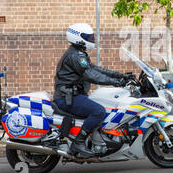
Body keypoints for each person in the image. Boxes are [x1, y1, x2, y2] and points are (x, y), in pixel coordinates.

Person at [53, 23, 133, 158]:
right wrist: (116, 82)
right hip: (68, 98)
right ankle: (78, 143)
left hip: (71, 96)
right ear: (77, 37)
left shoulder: (78, 53)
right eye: (88, 37)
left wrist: (120, 75)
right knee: (99, 111)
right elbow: (91, 75)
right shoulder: (75, 56)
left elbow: (95, 69)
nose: (91, 40)